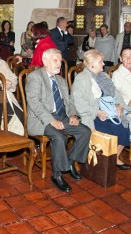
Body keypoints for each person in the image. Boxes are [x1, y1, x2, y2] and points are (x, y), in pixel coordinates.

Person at [26, 48, 90, 192]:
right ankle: (57, 175)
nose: (58, 64)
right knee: (59, 136)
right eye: (55, 60)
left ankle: (71, 162)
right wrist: (51, 120)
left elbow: (69, 101)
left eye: (60, 61)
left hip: (62, 116)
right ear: (45, 61)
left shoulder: (60, 80)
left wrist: (73, 115)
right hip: (41, 120)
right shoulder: (35, 77)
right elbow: (34, 102)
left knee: (85, 131)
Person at [71, 49, 131, 170]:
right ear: (91, 64)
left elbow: (116, 93)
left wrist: (119, 104)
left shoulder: (104, 76)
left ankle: (114, 158)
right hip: (91, 115)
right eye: (101, 62)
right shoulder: (82, 79)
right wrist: (97, 112)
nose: (103, 64)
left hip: (110, 112)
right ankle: (104, 161)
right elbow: (78, 103)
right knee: (113, 129)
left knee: (125, 127)